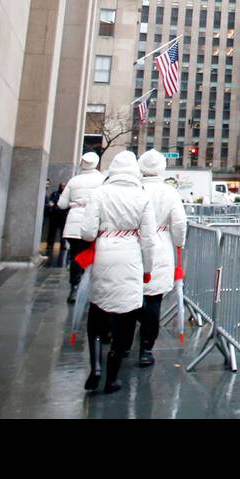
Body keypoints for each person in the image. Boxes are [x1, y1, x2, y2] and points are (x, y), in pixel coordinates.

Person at [78, 150, 157, 394]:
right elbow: (149, 240)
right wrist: (148, 269)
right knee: (126, 316)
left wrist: (104, 233)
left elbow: (87, 232)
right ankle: (112, 376)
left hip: (105, 254)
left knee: (98, 312)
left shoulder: (100, 193)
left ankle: (96, 366)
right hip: (131, 257)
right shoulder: (142, 197)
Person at [135, 150, 187, 368]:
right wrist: (179, 243)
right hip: (160, 244)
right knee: (154, 298)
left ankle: (124, 342)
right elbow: (179, 223)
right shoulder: (169, 192)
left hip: (132, 243)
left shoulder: (134, 189)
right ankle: (146, 348)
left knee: (130, 295)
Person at [57, 153, 105, 304]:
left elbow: (61, 204)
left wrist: (74, 203)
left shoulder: (73, 181)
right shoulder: (102, 180)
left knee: (76, 257)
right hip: (94, 223)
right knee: (94, 256)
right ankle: (91, 287)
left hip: (73, 225)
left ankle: (75, 287)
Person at [45, 180, 68, 267]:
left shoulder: (66, 196)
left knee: (63, 232)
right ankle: (49, 244)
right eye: (62, 186)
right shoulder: (55, 194)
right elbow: (51, 202)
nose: (63, 188)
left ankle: (63, 245)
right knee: (52, 231)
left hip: (63, 215)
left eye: (64, 186)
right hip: (54, 215)